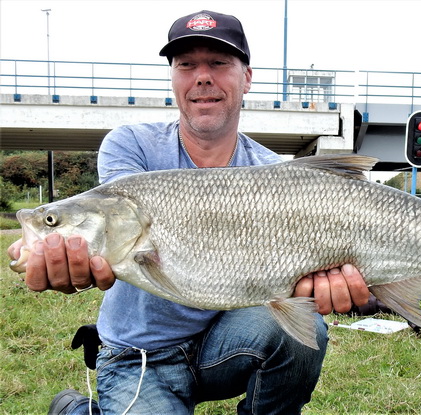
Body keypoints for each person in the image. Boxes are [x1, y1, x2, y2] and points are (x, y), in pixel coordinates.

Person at [7, 10, 370, 415]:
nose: (202, 76)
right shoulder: (131, 147)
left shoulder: (273, 172)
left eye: (218, 63)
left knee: (304, 330)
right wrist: (58, 245)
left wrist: (329, 276)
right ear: (174, 78)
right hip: (139, 355)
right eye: (187, 65)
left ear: (246, 77)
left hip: (224, 340)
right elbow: (110, 226)